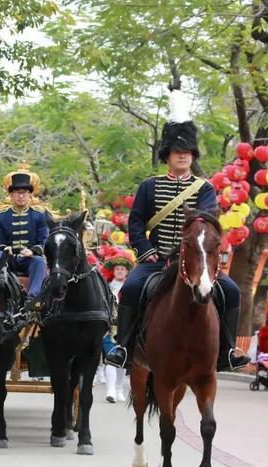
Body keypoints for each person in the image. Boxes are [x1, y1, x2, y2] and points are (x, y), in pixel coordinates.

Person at [105, 89, 249, 372]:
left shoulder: (204, 188)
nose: (183, 156)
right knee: (132, 288)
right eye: (177, 151)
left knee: (231, 291)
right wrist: (145, 251)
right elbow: (136, 222)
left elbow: (207, 220)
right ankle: (122, 347)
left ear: (193, 155)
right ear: (167, 155)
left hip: (195, 260)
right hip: (157, 260)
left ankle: (227, 350)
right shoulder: (150, 186)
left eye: (187, 152)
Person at [0, 166, 48, 300]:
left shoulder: (39, 215)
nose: (21, 196)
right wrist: (5, 249)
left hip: (29, 259)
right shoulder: (1, 216)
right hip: (9, 258)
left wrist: (33, 251)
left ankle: (33, 298)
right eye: (17, 192)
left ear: (30, 195)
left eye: (24, 192)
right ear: (11, 195)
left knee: (39, 261)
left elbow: (44, 240)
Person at [102, 253, 133, 403]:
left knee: (122, 359)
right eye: (117, 269)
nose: (120, 271)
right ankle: (111, 389)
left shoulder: (132, 287)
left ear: (127, 272)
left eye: (122, 269)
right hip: (110, 328)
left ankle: (119, 388)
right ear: (113, 271)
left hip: (126, 328)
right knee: (110, 358)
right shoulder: (106, 287)